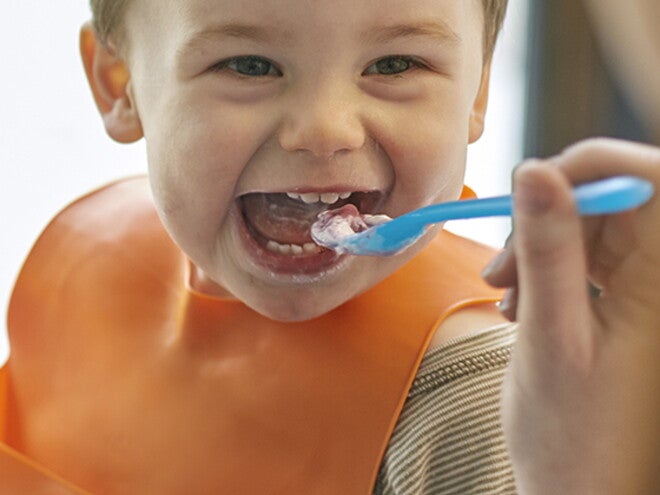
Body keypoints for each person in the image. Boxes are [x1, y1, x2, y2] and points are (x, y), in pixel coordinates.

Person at [0, 1, 658, 494]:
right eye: (250, 64)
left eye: (395, 64)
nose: (324, 130)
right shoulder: (81, 266)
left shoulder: (474, 401)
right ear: (119, 85)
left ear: (477, 91)